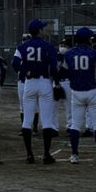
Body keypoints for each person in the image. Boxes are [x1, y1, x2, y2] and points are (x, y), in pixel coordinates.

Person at [12, 19, 59, 164]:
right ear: (39, 31)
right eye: (42, 29)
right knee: (47, 120)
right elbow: (53, 67)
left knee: (27, 120)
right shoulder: (48, 46)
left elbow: (14, 64)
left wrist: (25, 71)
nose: (43, 31)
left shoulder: (22, 46)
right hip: (44, 82)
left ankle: (29, 155)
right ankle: (46, 154)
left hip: (29, 83)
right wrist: (56, 83)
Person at [63, 27, 96, 164]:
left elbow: (64, 72)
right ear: (88, 39)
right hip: (92, 90)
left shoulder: (69, 53)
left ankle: (74, 155)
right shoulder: (94, 53)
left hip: (76, 91)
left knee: (75, 125)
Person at [53, 40, 73, 133]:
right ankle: (54, 127)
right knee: (54, 106)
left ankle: (70, 126)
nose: (62, 47)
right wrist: (56, 82)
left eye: (65, 45)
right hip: (56, 82)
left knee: (69, 106)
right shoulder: (55, 56)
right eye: (61, 45)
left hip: (67, 82)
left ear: (69, 47)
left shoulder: (71, 56)